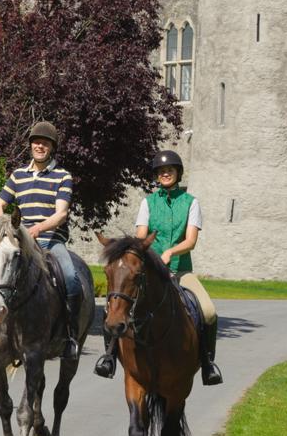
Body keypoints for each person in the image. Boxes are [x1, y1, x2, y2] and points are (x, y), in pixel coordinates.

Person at [94, 149, 222, 385]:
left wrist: (171, 251)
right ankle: (109, 356)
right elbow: (141, 236)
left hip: (181, 271)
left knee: (208, 311)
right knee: (112, 309)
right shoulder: (148, 202)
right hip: (151, 272)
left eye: (169, 170)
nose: (165, 174)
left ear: (178, 173)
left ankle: (207, 363)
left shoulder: (191, 203)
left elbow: (191, 240)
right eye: (161, 171)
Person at [0, 120, 83, 359]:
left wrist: (36, 229)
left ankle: (69, 336)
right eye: (36, 142)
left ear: (52, 147)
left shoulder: (62, 176)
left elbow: (61, 214)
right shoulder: (18, 175)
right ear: (30, 146)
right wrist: (1, 227)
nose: (40, 146)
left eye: (45, 143)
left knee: (71, 276)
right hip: (18, 242)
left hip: (49, 241)